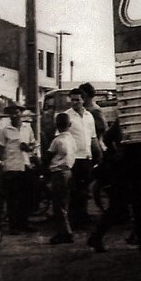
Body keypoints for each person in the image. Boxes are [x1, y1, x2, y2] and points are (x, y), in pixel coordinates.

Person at [62, 88, 103, 230]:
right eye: (72, 99)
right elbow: (61, 137)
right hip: (73, 158)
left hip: (86, 157)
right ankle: (75, 221)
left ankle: (83, 217)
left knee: (84, 190)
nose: (75, 102)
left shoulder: (89, 116)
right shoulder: (66, 116)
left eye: (77, 99)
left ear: (83, 100)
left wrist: (98, 154)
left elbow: (93, 138)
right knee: (74, 190)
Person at [87, 122, 130, 253]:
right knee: (117, 206)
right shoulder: (122, 121)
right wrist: (116, 154)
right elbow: (106, 138)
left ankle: (97, 236)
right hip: (121, 171)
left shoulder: (121, 122)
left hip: (123, 169)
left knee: (118, 207)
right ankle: (97, 237)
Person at [0, 103, 37, 233]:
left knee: (26, 197)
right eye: (11, 113)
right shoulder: (4, 131)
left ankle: (24, 223)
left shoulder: (27, 128)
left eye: (16, 112)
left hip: (25, 165)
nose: (14, 115)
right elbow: (0, 149)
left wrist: (28, 148)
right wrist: (2, 164)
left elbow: (33, 145)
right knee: (12, 198)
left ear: (21, 113)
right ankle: (14, 226)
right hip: (11, 167)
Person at [46, 111, 75, 244]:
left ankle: (64, 233)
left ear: (56, 125)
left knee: (58, 206)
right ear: (70, 124)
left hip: (58, 173)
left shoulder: (57, 140)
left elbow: (48, 157)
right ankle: (66, 231)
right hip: (68, 171)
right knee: (64, 203)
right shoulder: (71, 139)